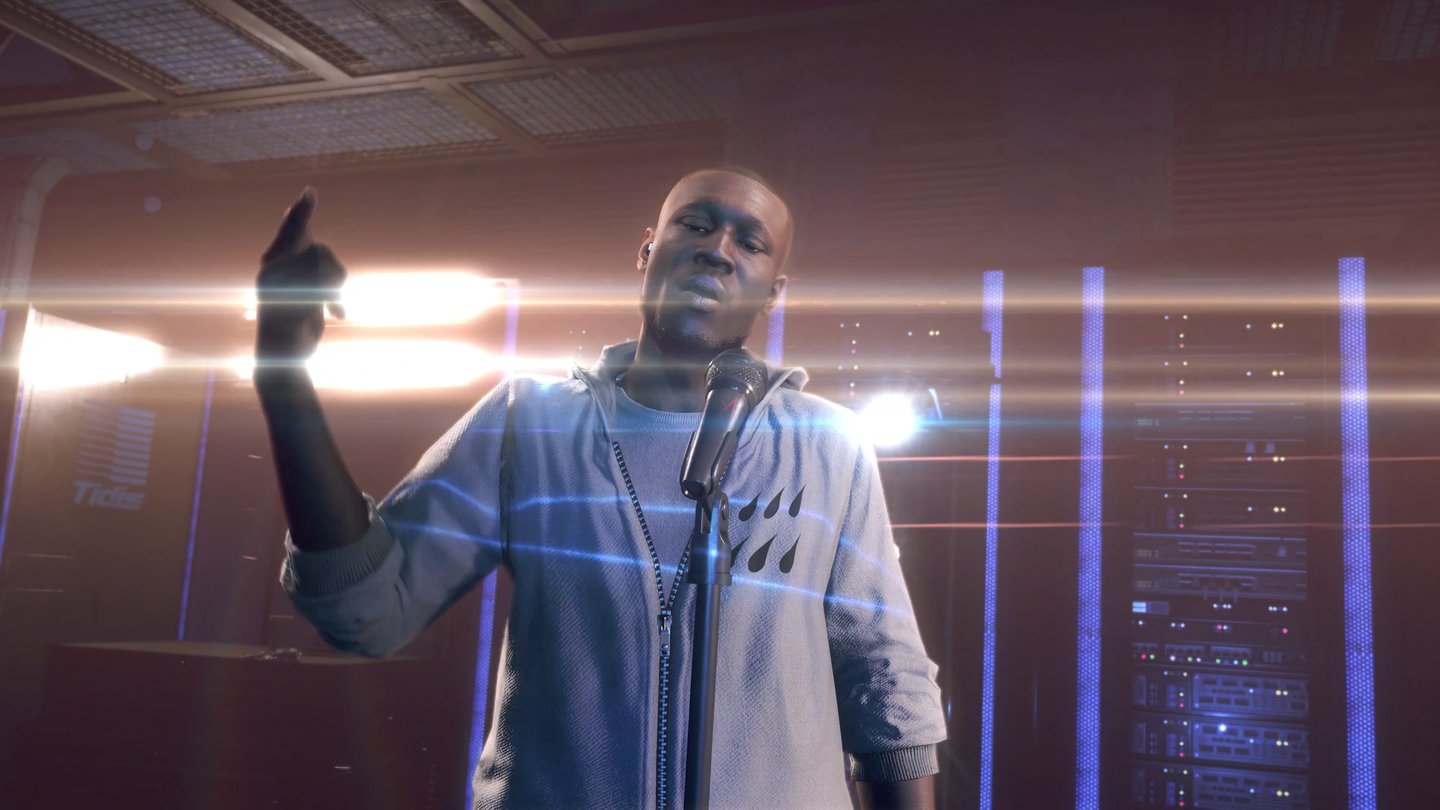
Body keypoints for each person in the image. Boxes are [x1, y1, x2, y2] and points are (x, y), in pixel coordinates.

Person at [253, 168, 947, 809]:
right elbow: (367, 606)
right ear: (647, 249)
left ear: (774, 290)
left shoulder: (828, 443)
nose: (717, 250)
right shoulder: (529, 422)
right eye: (696, 225)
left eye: (750, 242)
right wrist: (283, 379)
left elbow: (886, 681)